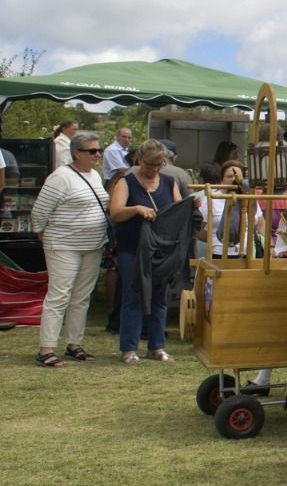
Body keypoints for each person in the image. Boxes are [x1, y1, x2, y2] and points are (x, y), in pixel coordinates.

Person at [30, 131, 109, 367]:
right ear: (77, 153)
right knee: (59, 296)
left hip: (92, 245)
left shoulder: (95, 175)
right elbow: (40, 211)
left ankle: (74, 344)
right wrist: (42, 233)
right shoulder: (60, 177)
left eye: (99, 150)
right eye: (92, 151)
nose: (97, 155)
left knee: (81, 298)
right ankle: (46, 349)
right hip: (64, 245)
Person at [107, 139, 184, 365]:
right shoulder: (127, 182)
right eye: (151, 164)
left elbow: (178, 210)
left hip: (161, 250)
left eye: (160, 164)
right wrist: (137, 209)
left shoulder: (169, 182)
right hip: (133, 247)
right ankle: (129, 348)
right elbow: (116, 212)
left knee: (160, 297)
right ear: (140, 160)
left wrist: (192, 207)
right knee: (133, 295)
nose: (155, 169)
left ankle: (157, 346)